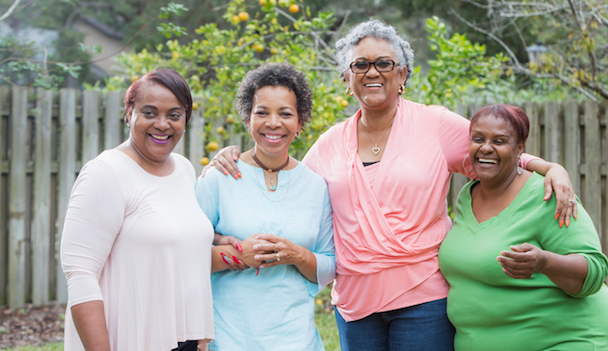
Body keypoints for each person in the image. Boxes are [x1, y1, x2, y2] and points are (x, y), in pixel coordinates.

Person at [210, 20, 577, 350]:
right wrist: (231, 158)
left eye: (384, 63)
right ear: (346, 78)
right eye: (361, 64)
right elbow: (287, 189)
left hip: (424, 297)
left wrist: (549, 167)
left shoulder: (434, 124)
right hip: (355, 301)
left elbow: (492, 150)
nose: (373, 72)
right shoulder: (329, 143)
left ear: (403, 74)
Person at [439, 104, 608, 350]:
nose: (486, 148)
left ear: (520, 148)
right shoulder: (466, 195)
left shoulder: (547, 196)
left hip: (565, 338)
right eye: (478, 139)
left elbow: (594, 269)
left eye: (500, 140)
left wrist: (544, 262)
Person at [60, 69, 214, 350]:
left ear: (185, 120)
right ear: (129, 113)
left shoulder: (184, 168)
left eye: (174, 115)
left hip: (184, 340)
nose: (163, 124)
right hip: (129, 340)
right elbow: (80, 273)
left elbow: (175, 242)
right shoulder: (106, 173)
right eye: (150, 112)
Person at [195, 63, 336, 351]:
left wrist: (296, 255)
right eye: (262, 112)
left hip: (296, 339)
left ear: (300, 123)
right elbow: (184, 257)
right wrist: (238, 256)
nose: (273, 123)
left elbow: (330, 264)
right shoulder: (219, 177)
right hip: (227, 338)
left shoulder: (315, 186)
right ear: (248, 119)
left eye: (285, 114)